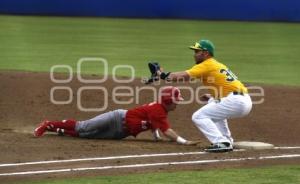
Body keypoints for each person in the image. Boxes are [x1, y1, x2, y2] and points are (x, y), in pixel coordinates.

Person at [152, 39, 252, 152]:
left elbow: (183, 75)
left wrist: (162, 75)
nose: (194, 55)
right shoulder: (216, 64)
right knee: (213, 103)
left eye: (197, 52)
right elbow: (227, 84)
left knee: (198, 116)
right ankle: (226, 140)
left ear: (205, 53)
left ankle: (221, 142)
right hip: (242, 99)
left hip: (236, 101)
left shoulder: (207, 64)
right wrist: (212, 96)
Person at [34, 86, 198, 146]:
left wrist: (156, 137)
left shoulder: (160, 111)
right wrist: (184, 141)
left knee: (86, 135)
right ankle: (49, 124)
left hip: (120, 132)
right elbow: (167, 130)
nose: (177, 103)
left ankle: (57, 131)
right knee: (83, 127)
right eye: (176, 101)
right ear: (168, 100)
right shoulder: (158, 110)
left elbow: (155, 125)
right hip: (116, 118)